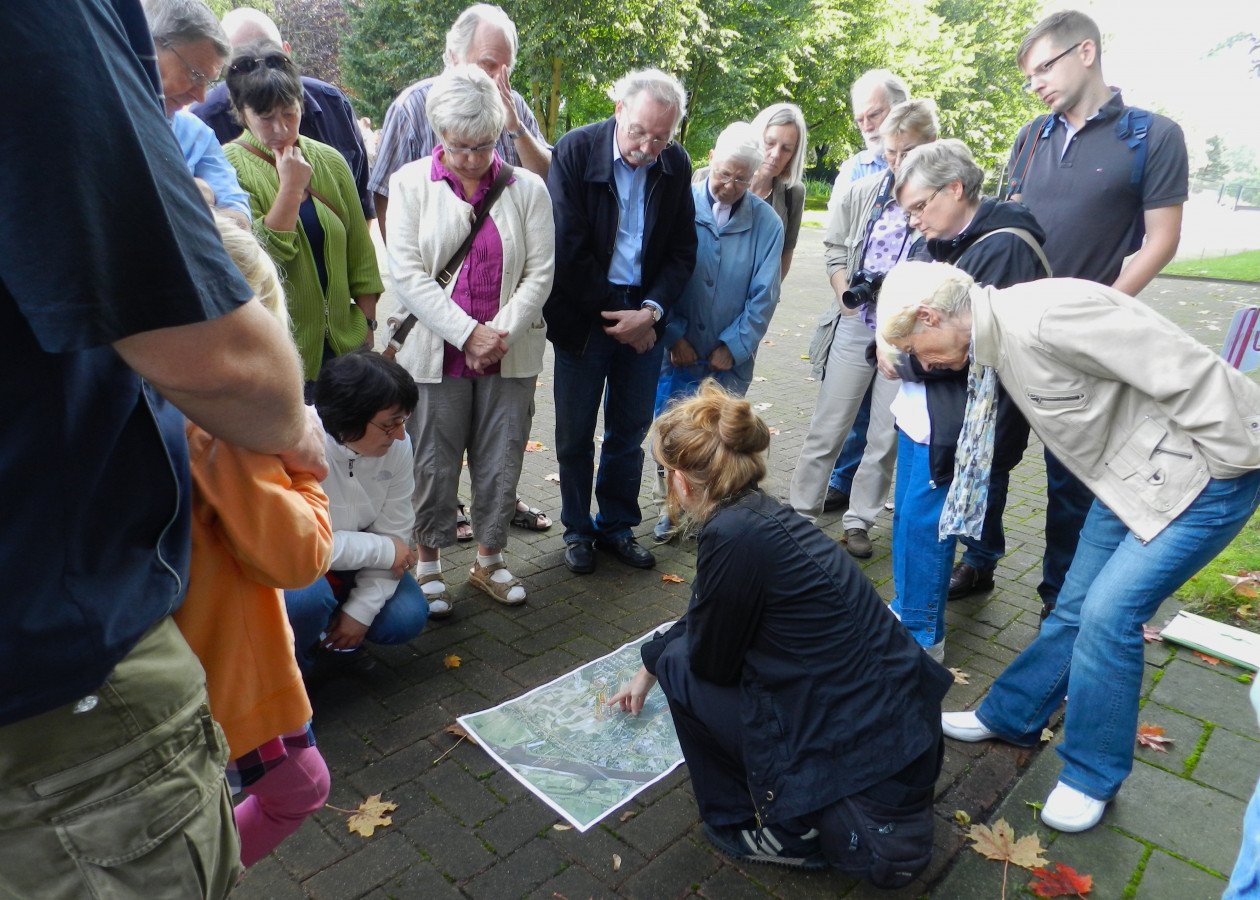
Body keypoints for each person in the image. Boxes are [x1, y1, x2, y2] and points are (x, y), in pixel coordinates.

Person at [0, 0, 325, 894]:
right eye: (181, 75)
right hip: (69, 685)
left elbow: (295, 551)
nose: (186, 96)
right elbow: (239, 374)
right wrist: (278, 420)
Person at [877, 261, 1260, 833]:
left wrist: (1234, 461)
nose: (922, 362)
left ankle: (1090, 774)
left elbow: (1183, 368)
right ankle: (1013, 714)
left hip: (1206, 480)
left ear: (932, 316)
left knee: (1109, 616)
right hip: (1128, 480)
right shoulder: (995, 340)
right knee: (1075, 607)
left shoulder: (1048, 317)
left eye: (917, 346)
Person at [609, 382, 951, 886]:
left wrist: (663, 663)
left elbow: (708, 661)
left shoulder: (731, 534)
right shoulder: (759, 515)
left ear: (680, 481)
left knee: (683, 665)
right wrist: (646, 665)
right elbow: (712, 605)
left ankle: (752, 825)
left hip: (867, 766)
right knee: (672, 656)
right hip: (906, 739)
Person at [949, 10, 1190, 619]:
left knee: (1072, 480)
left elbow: (1161, 239)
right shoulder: (1030, 136)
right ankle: (979, 559)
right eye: (1029, 75)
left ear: (1085, 52)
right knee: (991, 452)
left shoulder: (1153, 136)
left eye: (1044, 68)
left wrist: (1101, 311)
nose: (1036, 84)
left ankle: (1061, 600)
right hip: (1012, 332)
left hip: (1085, 343)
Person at [173, 213, 334, 868]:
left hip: (180, 657)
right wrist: (307, 468)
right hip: (224, 673)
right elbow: (298, 555)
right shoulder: (221, 425)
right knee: (300, 786)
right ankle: (201, 875)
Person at [369, 2, 553, 537]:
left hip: (508, 349)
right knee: (432, 461)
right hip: (434, 348)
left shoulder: (525, 178)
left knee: (501, 461)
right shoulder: (410, 168)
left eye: (483, 146)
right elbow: (404, 266)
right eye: (458, 147)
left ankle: (490, 558)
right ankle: (428, 558)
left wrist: (499, 334)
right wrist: (466, 333)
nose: (471, 157)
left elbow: (539, 272)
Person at [881, 139, 1049, 661]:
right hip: (924, 414)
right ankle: (909, 610)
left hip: (955, 422)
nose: (914, 222)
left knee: (929, 525)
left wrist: (900, 357)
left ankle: (923, 640)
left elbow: (972, 349)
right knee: (909, 519)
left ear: (954, 188)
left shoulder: (1005, 246)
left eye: (919, 207)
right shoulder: (951, 241)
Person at [546, 68, 697, 575]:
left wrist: (650, 313)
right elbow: (567, 248)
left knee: (629, 430)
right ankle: (575, 528)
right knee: (573, 431)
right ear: (619, 112)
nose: (647, 146)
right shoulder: (574, 150)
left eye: (660, 137)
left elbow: (681, 251)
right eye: (638, 131)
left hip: (646, 314)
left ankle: (615, 526)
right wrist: (620, 315)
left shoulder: (675, 163)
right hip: (585, 315)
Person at [790, 98, 939, 558]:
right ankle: (800, 515)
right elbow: (835, 248)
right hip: (857, 326)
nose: (896, 163)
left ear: (930, 147)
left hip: (905, 338)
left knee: (883, 436)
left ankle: (859, 521)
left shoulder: (938, 202)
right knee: (828, 426)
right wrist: (844, 296)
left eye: (907, 152)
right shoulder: (863, 191)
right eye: (890, 152)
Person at [223, 45, 383, 386]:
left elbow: (360, 250)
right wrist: (291, 190)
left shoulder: (329, 161)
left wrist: (367, 325)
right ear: (242, 113)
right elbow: (261, 261)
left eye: (289, 113)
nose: (280, 128)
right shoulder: (229, 167)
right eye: (265, 118)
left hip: (346, 345)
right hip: (279, 351)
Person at [654, 122, 783, 540]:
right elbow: (656, 271)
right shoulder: (678, 204)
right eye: (725, 173)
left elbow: (765, 294)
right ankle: (670, 508)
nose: (730, 185)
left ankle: (713, 515)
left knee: (721, 441)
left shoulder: (767, 223)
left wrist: (735, 344)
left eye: (742, 179)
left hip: (726, 359)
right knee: (673, 434)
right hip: (677, 351)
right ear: (711, 158)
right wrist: (673, 335)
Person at [285, 353, 430, 671]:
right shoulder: (296, 444)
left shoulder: (397, 447)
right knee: (304, 602)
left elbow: (396, 529)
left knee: (407, 616)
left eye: (403, 420)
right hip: (295, 567)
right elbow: (296, 545)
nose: (402, 435)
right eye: (390, 424)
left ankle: (336, 641)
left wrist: (359, 613)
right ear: (347, 418)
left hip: (355, 562)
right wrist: (385, 549)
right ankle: (296, 668)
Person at [370, 3, 550, 239]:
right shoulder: (411, 108)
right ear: (454, 56)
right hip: (438, 271)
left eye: (506, 70)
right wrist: (407, 269)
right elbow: (385, 195)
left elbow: (547, 179)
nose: (498, 79)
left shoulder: (513, 103)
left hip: (509, 267)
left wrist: (516, 128)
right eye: (488, 65)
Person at [191, 7, 375, 219]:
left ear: (286, 51)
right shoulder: (205, 123)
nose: (260, 69)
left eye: (289, 114)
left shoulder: (332, 103)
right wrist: (291, 189)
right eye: (244, 63)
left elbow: (362, 208)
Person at [823, 70, 910, 512]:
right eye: (861, 119)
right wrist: (844, 294)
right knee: (840, 413)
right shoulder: (855, 169)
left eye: (875, 114)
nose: (869, 125)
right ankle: (834, 485)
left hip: (906, 323)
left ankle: (861, 511)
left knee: (885, 424)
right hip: (858, 314)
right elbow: (836, 241)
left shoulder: (932, 165)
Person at [144, 0, 251, 227]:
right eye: (194, 75)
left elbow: (241, 220)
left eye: (208, 83)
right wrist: (189, 194)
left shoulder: (196, 133)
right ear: (149, 45)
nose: (200, 97)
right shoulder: (97, 113)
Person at [697, 104, 804, 279]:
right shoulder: (703, 178)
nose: (775, 154)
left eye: (786, 148)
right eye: (769, 143)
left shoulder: (793, 194)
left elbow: (785, 253)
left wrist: (767, 295)